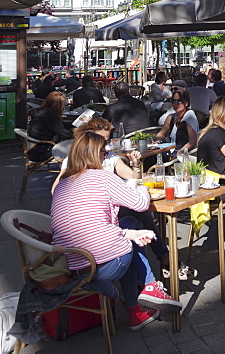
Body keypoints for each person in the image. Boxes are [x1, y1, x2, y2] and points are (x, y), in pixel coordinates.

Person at [50, 131, 181, 331]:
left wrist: (130, 234)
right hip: (100, 265)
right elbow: (140, 203)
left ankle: (136, 309)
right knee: (129, 238)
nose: (106, 156)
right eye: (103, 152)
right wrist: (143, 188)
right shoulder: (102, 177)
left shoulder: (62, 184)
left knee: (128, 225)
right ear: (94, 154)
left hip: (71, 263)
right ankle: (150, 288)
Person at [27, 91, 73, 160]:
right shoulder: (50, 117)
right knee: (77, 142)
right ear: (58, 104)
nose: (65, 104)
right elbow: (65, 134)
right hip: (43, 151)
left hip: (35, 149)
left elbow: (61, 125)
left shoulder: (44, 111)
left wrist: (76, 123)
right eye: (64, 102)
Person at [154, 89, 199, 155]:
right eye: (173, 101)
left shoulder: (189, 116)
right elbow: (161, 134)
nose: (176, 104)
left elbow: (193, 141)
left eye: (179, 101)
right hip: (171, 151)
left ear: (186, 103)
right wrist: (157, 141)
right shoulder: (171, 117)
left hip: (185, 155)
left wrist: (181, 151)